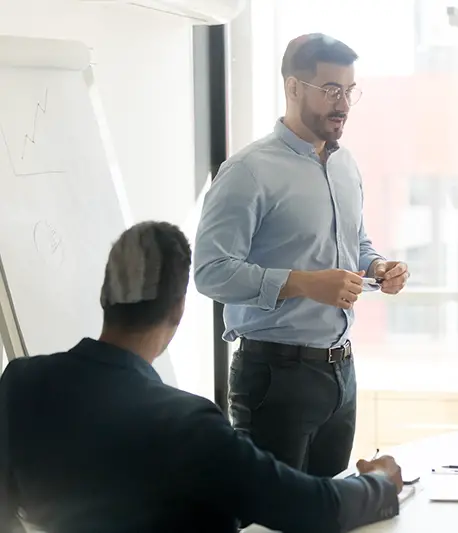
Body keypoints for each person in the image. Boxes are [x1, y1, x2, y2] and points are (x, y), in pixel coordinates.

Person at [0, 222, 403, 533]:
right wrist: (380, 483)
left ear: (105, 296)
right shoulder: (187, 425)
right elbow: (313, 507)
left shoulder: (20, 383)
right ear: (178, 311)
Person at [193, 33, 409, 478]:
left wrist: (377, 266)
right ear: (293, 88)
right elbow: (210, 272)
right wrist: (304, 282)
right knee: (273, 519)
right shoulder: (248, 171)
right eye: (331, 90)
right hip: (274, 376)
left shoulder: (346, 165)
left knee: (330, 512)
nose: (344, 104)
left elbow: (357, 243)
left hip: (340, 372)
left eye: (350, 91)